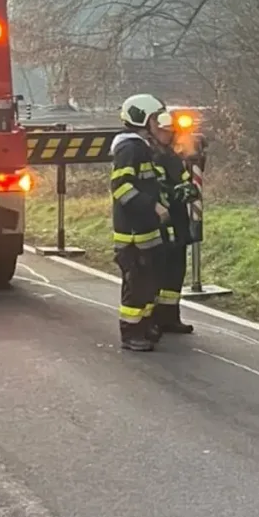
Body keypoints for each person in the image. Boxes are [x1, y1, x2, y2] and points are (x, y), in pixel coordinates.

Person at [109, 93, 171, 352]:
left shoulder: (143, 147)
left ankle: (145, 325)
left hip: (146, 230)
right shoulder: (129, 148)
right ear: (143, 119)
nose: (160, 123)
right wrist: (151, 206)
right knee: (136, 285)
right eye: (156, 118)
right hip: (132, 234)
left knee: (148, 282)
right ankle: (131, 332)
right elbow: (121, 187)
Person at [151, 109, 196, 335]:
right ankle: (155, 318)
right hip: (161, 220)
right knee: (160, 269)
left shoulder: (171, 155)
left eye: (170, 132)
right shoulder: (151, 155)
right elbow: (153, 186)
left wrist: (188, 190)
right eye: (164, 132)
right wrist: (170, 193)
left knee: (177, 269)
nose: (168, 136)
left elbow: (183, 179)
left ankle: (171, 316)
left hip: (178, 219)